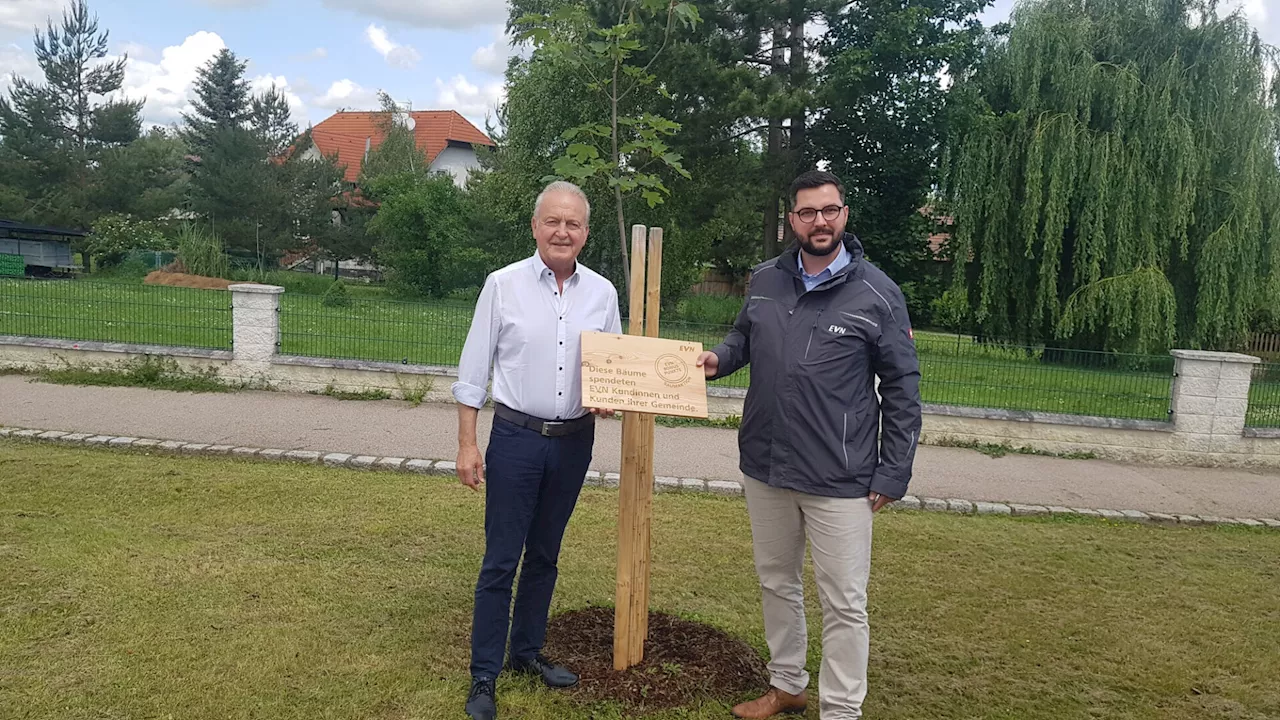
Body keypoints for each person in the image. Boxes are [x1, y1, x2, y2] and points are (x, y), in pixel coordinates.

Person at [697, 170, 922, 720]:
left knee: (844, 602)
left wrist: (893, 472)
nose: (819, 221)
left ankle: (841, 710)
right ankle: (788, 685)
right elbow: (743, 338)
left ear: (844, 214)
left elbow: (902, 389)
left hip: (840, 476)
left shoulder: (878, 293)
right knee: (777, 581)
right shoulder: (766, 279)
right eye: (807, 212)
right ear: (791, 220)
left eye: (829, 210)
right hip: (766, 464)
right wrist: (717, 361)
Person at [452, 180, 621, 720]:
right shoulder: (502, 286)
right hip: (516, 440)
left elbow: (611, 366)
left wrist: (608, 398)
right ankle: (484, 675)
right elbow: (473, 372)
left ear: (586, 233)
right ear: (535, 226)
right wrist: (466, 444)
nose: (562, 231)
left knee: (545, 555)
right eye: (553, 221)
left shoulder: (603, 293)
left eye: (573, 224)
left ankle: (526, 652)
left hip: (573, 444)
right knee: (501, 559)